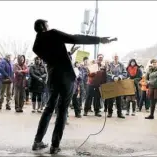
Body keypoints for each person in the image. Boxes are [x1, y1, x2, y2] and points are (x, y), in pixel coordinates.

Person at [31, 19, 112, 154]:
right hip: (66, 77)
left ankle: (37, 141)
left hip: (52, 77)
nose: (49, 26)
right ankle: (54, 145)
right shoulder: (53, 33)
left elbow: (53, 58)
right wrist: (99, 40)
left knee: (49, 109)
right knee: (62, 110)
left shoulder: (36, 46)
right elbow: (75, 38)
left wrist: (68, 54)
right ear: (43, 26)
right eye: (47, 25)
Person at [105, 54, 126, 118]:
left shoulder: (121, 65)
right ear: (112, 58)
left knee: (119, 99)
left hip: (119, 83)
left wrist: (119, 77)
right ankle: (110, 113)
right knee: (110, 99)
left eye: (117, 57)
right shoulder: (110, 64)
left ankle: (119, 113)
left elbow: (124, 73)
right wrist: (113, 76)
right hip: (111, 83)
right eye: (114, 57)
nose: (115, 58)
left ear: (118, 58)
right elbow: (107, 72)